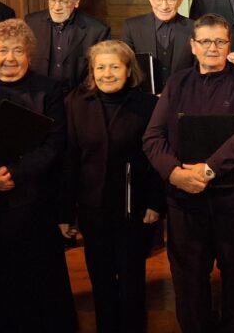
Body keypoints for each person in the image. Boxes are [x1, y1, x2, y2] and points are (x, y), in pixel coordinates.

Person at [142, 13, 234, 333]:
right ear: (193, 46)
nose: (213, 48)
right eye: (205, 41)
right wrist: (174, 173)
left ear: (229, 45)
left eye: (220, 41)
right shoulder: (177, 83)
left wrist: (210, 168)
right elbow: (153, 137)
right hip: (184, 199)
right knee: (188, 279)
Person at [0, 19, 77, 333]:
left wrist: (14, 171)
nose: (10, 58)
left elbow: (55, 143)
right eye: (2, 50)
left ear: (29, 55)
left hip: (34, 198)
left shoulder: (49, 88)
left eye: (17, 50)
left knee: (38, 276)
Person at [60, 40, 163, 333]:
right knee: (101, 280)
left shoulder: (148, 105)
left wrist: (156, 203)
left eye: (114, 67)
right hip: (92, 208)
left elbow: (156, 159)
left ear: (128, 70)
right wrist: (65, 212)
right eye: (100, 67)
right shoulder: (75, 103)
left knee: (132, 281)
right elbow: (69, 159)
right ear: (92, 71)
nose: (107, 73)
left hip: (134, 208)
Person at [24, 0, 110, 93]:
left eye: (63, 1)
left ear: (77, 0)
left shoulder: (97, 30)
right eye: (52, 0)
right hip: (38, 96)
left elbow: (97, 72)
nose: (56, 7)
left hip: (78, 99)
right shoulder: (31, 22)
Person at [120, 0, 195, 89]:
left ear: (180, 0)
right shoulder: (132, 27)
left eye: (171, 0)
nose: (164, 6)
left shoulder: (195, 28)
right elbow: (125, 68)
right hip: (144, 99)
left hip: (183, 98)